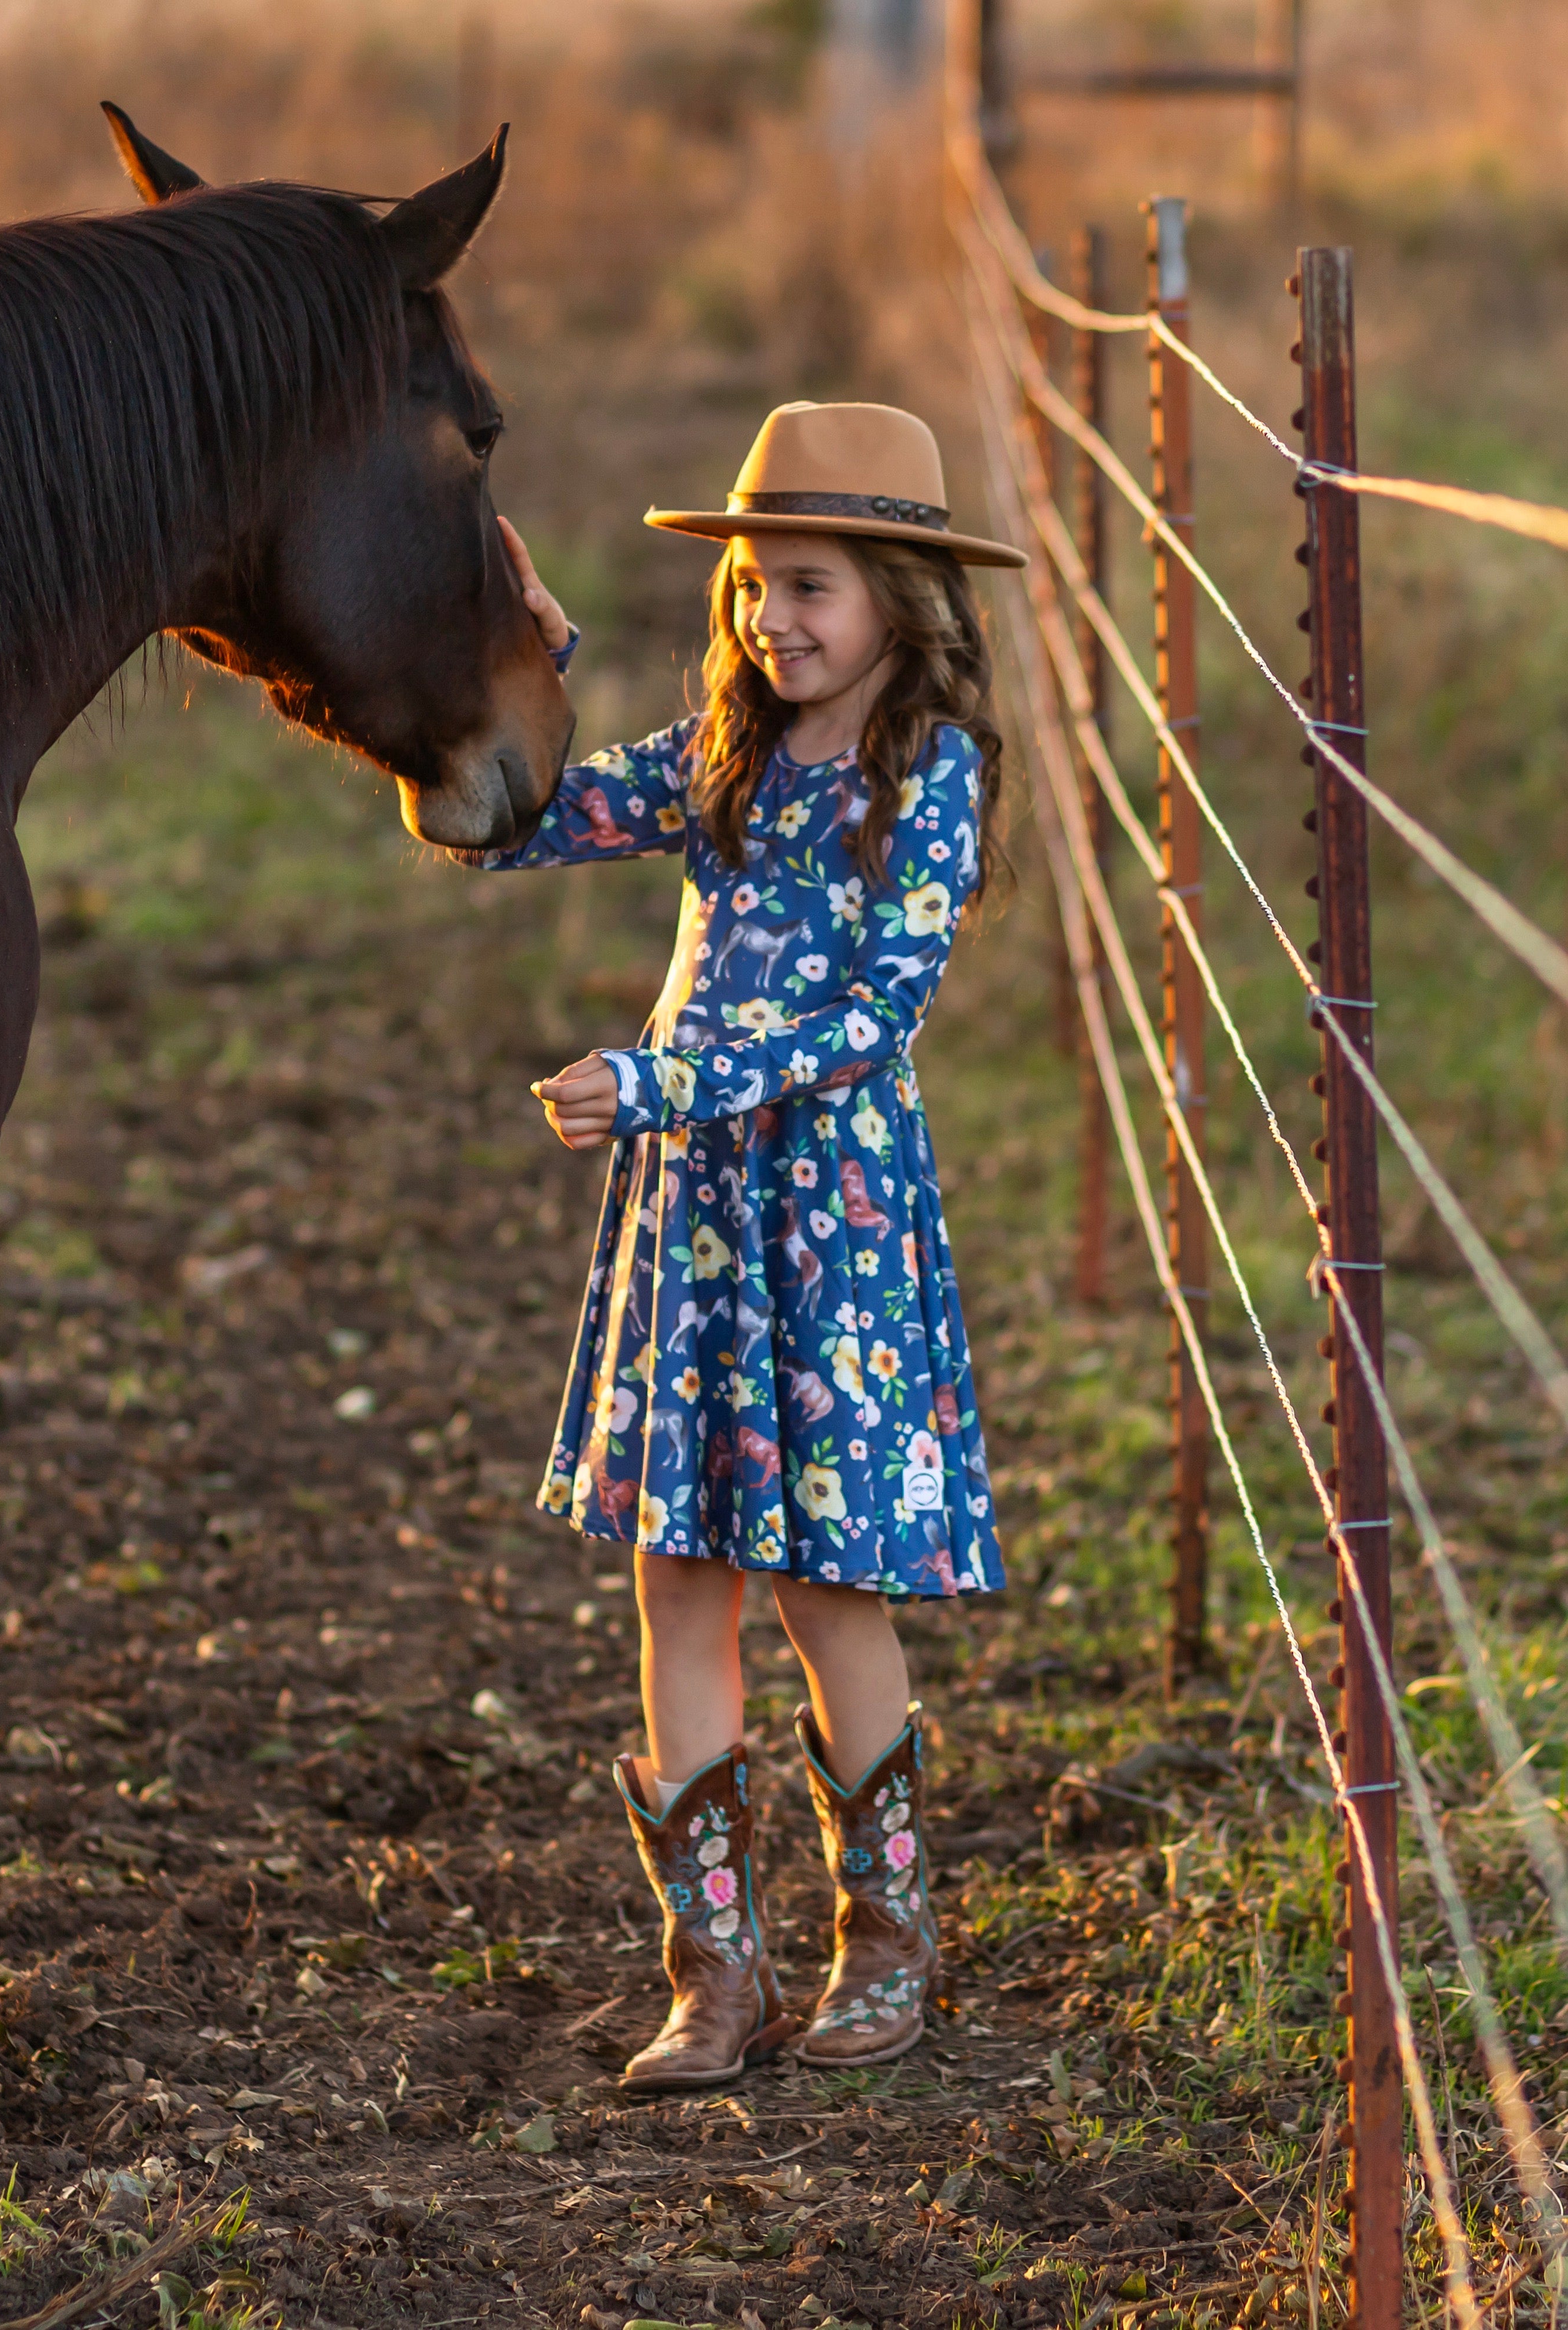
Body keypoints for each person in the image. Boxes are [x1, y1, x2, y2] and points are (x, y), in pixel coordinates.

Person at [474, 402, 1023, 2084]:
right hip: (697, 1223)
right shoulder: (720, 754)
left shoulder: (924, 772)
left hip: (832, 1217)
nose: (768, 619)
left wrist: (659, 1077)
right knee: (676, 1566)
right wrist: (509, 661)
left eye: (807, 587)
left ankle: (886, 1940)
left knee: (821, 1580)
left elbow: (874, 1013)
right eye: (748, 587)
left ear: (900, 602)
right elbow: (514, 817)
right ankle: (711, 1972)